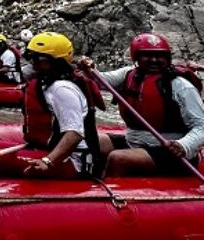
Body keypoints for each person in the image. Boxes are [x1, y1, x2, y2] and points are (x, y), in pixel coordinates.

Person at [78, 33, 204, 177]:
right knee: (91, 140)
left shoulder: (181, 85)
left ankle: (110, 192)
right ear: (136, 57)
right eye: (147, 55)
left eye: (160, 56)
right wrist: (88, 70)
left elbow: (202, 125)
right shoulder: (128, 74)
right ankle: (90, 178)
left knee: (118, 158)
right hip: (135, 142)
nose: (154, 60)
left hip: (171, 151)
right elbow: (98, 81)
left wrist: (184, 145)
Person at [20, 32, 105, 178]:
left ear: (57, 62)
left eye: (38, 58)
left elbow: (75, 133)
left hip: (74, 160)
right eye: (31, 57)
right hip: (52, 151)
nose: (33, 63)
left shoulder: (62, 89)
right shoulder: (46, 84)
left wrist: (47, 161)